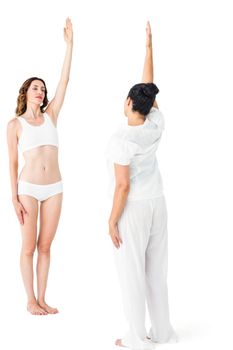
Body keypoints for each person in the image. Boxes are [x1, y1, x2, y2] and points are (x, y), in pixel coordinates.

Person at [105, 22, 177, 349]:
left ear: (128, 103)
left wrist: (111, 220)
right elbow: (149, 87)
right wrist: (149, 48)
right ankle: (163, 333)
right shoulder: (155, 123)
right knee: (156, 271)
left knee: (131, 272)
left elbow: (122, 187)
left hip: (133, 209)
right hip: (157, 204)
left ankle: (136, 337)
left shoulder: (121, 139)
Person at [7, 18, 73, 315]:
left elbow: (64, 81)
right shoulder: (15, 124)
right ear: (26, 92)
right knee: (29, 247)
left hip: (55, 188)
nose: (41, 92)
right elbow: (11, 162)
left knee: (46, 247)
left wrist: (70, 45)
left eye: (43, 89)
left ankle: (43, 298)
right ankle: (29, 300)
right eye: (36, 88)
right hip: (28, 189)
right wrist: (13, 197)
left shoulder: (51, 115)